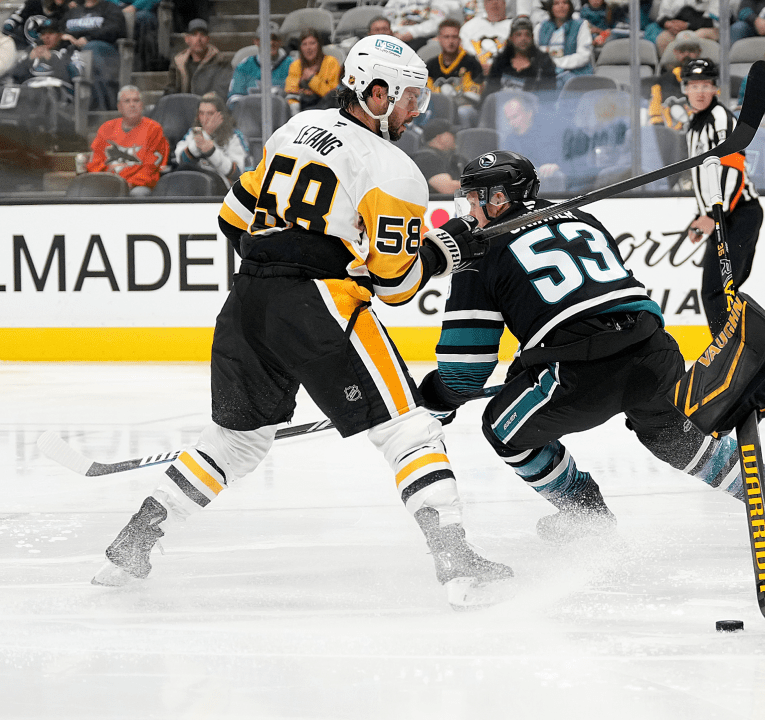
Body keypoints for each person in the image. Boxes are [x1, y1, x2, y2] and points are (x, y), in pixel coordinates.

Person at [93, 35, 508, 611]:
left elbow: (233, 217)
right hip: (319, 303)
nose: (418, 109)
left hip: (247, 301)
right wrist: (444, 250)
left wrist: (287, 260)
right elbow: (394, 285)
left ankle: (132, 545)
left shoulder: (297, 127)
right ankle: (458, 563)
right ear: (378, 92)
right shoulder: (396, 170)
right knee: (407, 429)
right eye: (411, 96)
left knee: (236, 442)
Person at [420, 150, 765, 548]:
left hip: (579, 375)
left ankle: (586, 513)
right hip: (654, 351)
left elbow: (465, 373)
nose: (469, 210)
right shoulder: (582, 218)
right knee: (674, 437)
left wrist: (436, 400)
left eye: (474, 199)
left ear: (499, 198)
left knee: (503, 429)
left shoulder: (479, 251)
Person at [685, 58, 763, 334]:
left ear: (715, 88)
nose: (700, 91)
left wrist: (712, 215)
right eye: (694, 85)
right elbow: (705, 176)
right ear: (685, 89)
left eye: (706, 85)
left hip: (737, 213)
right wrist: (701, 215)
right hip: (722, 214)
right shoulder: (694, 125)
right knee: (721, 291)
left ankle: (731, 350)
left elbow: (732, 168)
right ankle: (741, 345)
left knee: (717, 291)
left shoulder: (720, 119)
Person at [85, 85, 168, 196]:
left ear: (142, 105)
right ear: (119, 107)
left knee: (139, 194)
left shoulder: (154, 129)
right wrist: (108, 182)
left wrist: (128, 184)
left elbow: (151, 168)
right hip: (108, 184)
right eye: (127, 101)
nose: (132, 105)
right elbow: (94, 163)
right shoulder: (106, 128)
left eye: (136, 100)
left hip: (138, 186)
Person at [172, 93, 251, 185]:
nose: (205, 119)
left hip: (221, 187)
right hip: (193, 183)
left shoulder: (234, 136)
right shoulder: (192, 133)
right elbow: (181, 162)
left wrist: (212, 152)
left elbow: (237, 173)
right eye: (201, 113)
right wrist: (206, 134)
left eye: (210, 114)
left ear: (221, 115)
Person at [61, 0, 125, 109]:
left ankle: (102, 106)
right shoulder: (73, 11)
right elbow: (59, 29)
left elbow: (114, 29)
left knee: (90, 48)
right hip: (74, 49)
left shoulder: (110, 8)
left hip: (103, 50)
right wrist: (65, 37)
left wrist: (89, 38)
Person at [425, 18, 483, 128]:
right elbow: (426, 96)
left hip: (465, 112)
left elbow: (473, 98)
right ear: (439, 39)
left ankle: (464, 137)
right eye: (446, 37)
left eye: (454, 37)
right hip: (438, 110)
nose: (450, 41)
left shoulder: (471, 63)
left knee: (463, 111)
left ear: (460, 39)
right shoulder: (431, 65)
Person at [483, 16, 558, 98]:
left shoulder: (544, 63)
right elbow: (489, 94)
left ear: (532, 38)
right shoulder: (500, 62)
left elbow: (548, 98)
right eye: (518, 35)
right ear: (511, 38)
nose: (523, 38)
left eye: (527, 34)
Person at [6, 17, 79, 96]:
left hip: (59, 95)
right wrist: (29, 60)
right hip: (31, 94)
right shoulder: (33, 49)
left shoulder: (70, 50)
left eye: (51, 33)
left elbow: (72, 79)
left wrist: (52, 59)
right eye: (43, 34)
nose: (46, 37)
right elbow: (16, 76)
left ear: (60, 35)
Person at [164, 19, 233, 99]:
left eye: (202, 35)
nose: (198, 39)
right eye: (194, 35)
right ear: (187, 39)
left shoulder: (221, 61)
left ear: (208, 39)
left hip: (210, 105)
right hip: (184, 105)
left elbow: (222, 91)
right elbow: (170, 90)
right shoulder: (178, 63)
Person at [647, 30, 701, 130]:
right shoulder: (661, 81)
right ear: (675, 52)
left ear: (699, 52)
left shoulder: (710, 79)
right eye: (682, 50)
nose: (686, 54)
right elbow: (654, 112)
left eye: (691, 50)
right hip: (670, 133)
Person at [228, 21, 290, 100]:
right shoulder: (244, 66)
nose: (271, 42)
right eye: (266, 39)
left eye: (274, 39)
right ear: (256, 41)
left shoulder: (291, 65)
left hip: (281, 107)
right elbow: (234, 97)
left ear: (280, 41)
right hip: (250, 107)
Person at [536, 0, 592, 85]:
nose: (561, 6)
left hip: (575, 73)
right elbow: (535, 52)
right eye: (556, 3)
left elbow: (584, 56)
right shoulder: (541, 27)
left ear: (570, 6)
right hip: (547, 73)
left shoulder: (581, 25)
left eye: (565, 3)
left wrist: (556, 63)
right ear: (551, 7)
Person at [285, 28, 341, 114]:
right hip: (302, 109)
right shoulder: (295, 65)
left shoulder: (331, 62)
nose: (308, 48)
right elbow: (291, 93)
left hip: (327, 109)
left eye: (312, 43)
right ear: (300, 48)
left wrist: (312, 78)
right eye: (304, 44)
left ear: (319, 45)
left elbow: (333, 95)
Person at [414, 117, 466, 192]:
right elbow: (447, 188)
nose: (455, 137)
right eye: (452, 134)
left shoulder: (454, 158)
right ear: (440, 138)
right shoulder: (426, 158)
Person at [460, 0, 512, 72]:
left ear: (504, 2)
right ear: (484, 4)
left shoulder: (516, 26)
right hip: (474, 74)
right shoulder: (469, 27)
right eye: (490, 0)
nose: (494, 2)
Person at [386, 0, 461, 49]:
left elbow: (437, 22)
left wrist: (412, 32)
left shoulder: (440, 2)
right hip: (396, 32)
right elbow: (387, 15)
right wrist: (394, 30)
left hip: (422, 35)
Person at [652, 0, 718, 56]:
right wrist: (668, 24)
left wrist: (687, 25)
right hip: (678, 28)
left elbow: (714, 21)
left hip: (708, 28)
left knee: (690, 38)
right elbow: (661, 16)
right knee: (663, 39)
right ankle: (672, 67)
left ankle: (695, 65)